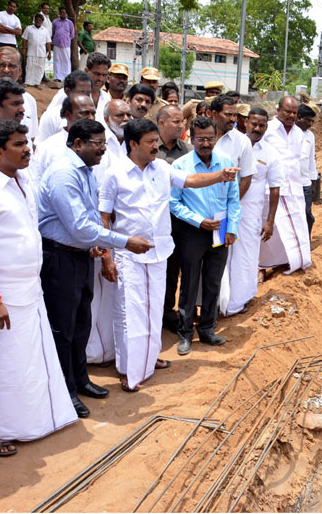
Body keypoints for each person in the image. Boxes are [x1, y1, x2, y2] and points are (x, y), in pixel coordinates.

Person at [0, 119, 77, 456]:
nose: (28, 149)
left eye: (27, 142)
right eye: (18, 144)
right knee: (3, 364)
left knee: (28, 361)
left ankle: (32, 423)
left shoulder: (23, 181)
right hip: (3, 295)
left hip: (30, 289)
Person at [100, 118, 238, 390]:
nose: (156, 146)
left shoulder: (161, 168)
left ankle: (150, 359)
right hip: (129, 255)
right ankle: (129, 369)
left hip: (159, 252)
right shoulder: (114, 174)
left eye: (155, 141)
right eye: (150, 142)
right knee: (131, 313)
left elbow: (191, 180)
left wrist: (221, 176)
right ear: (133, 144)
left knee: (153, 311)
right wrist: (106, 255)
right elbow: (103, 217)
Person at [37, 119, 152, 416]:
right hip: (60, 257)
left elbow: (87, 221)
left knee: (80, 323)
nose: (103, 149)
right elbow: (80, 227)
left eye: (104, 143)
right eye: (97, 144)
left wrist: (94, 245)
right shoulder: (64, 174)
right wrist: (124, 242)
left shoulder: (85, 171)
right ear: (78, 144)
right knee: (63, 328)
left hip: (79, 255)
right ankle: (66, 392)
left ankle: (80, 380)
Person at [170, 117, 241, 356]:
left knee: (213, 280)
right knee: (189, 282)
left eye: (210, 138)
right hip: (193, 230)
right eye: (200, 139)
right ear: (191, 138)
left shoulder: (227, 164)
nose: (205, 143)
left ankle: (208, 329)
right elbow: (174, 203)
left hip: (220, 228)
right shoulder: (180, 167)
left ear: (216, 138)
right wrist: (198, 221)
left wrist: (231, 228)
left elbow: (234, 199)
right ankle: (185, 334)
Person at [84, 99, 130, 367]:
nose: (124, 118)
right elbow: (101, 201)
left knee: (114, 295)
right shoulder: (100, 151)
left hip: (121, 234)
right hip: (101, 232)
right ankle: (94, 353)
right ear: (106, 117)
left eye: (127, 114)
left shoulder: (126, 143)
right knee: (98, 295)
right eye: (118, 114)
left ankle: (112, 349)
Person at [226, 107, 282, 316]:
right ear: (245, 122)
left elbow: (275, 189)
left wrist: (270, 221)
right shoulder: (232, 144)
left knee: (246, 256)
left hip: (250, 214)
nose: (257, 128)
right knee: (222, 254)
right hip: (225, 210)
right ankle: (219, 301)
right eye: (254, 124)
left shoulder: (270, 153)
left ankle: (238, 301)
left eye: (262, 125)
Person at [259, 96, 312, 275]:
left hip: (293, 188)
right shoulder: (268, 129)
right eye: (287, 111)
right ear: (278, 110)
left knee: (298, 223)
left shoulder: (299, 133)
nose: (291, 115)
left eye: (294, 112)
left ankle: (292, 260)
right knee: (270, 228)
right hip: (271, 188)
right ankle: (262, 266)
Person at [156, 105, 192, 331]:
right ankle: (156, 311)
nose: (181, 126)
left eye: (182, 122)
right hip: (155, 220)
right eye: (176, 122)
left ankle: (169, 311)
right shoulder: (149, 148)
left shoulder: (188, 150)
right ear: (161, 123)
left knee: (175, 267)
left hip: (180, 220)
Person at [30, 93, 95, 183]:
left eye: (93, 113)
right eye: (85, 113)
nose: (91, 118)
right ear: (68, 115)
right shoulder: (49, 148)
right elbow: (38, 181)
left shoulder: (100, 145)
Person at [210, 95, 255, 198]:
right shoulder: (199, 137)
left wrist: (233, 204)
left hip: (225, 205)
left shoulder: (242, 141)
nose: (233, 119)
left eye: (235, 115)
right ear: (214, 114)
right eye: (228, 114)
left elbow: (246, 178)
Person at [36, 70, 93, 143]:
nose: (84, 97)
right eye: (81, 92)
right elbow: (40, 145)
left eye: (88, 93)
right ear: (68, 91)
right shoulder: (51, 116)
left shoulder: (92, 113)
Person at [295, 103, 318, 237]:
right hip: (291, 183)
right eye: (308, 120)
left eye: (312, 121)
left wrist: (313, 182)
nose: (310, 124)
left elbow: (311, 160)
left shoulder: (310, 136)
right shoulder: (290, 134)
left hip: (305, 184)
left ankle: (305, 242)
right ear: (298, 118)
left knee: (307, 215)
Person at [21, 13, 51, 87]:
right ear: (34, 20)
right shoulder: (29, 28)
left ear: (42, 21)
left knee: (40, 68)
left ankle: (37, 83)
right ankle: (27, 82)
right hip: (31, 51)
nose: (38, 21)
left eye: (40, 20)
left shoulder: (45, 30)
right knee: (29, 67)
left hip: (42, 52)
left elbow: (48, 42)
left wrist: (49, 52)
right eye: (37, 20)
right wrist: (24, 49)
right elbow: (24, 39)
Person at [84, 52, 111, 121]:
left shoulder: (107, 98)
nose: (100, 79)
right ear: (86, 71)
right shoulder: (70, 94)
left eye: (104, 75)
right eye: (96, 74)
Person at [51, 6, 75, 81]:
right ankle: (57, 77)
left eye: (63, 12)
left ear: (66, 13)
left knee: (66, 61)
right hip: (56, 44)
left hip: (66, 45)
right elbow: (52, 32)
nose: (62, 14)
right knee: (57, 60)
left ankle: (67, 77)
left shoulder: (70, 23)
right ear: (59, 13)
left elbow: (72, 35)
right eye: (61, 12)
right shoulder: (54, 22)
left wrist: (65, 39)